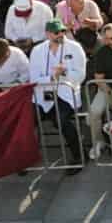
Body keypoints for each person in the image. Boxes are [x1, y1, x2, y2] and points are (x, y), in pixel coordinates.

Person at [29, 18, 86, 172]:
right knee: (26, 121)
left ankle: (79, 155)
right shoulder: (37, 51)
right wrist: (52, 77)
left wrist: (65, 72)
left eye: (63, 31)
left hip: (66, 93)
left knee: (61, 120)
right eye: (56, 32)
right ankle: (25, 157)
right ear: (47, 34)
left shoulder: (75, 48)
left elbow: (81, 76)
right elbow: (34, 79)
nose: (60, 34)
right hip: (42, 96)